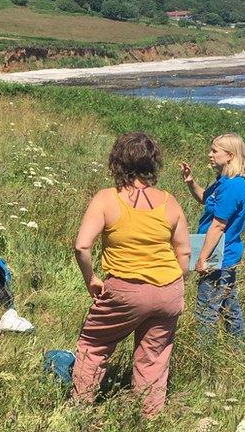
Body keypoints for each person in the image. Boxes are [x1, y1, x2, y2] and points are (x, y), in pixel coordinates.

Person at [71, 132, 190, 417]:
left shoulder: (107, 199)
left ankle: (80, 410)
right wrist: (173, 282)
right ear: (153, 164)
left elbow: (82, 246)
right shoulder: (170, 202)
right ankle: (148, 418)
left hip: (125, 288)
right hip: (169, 289)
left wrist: (91, 278)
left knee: (94, 345)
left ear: (117, 163)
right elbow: (184, 251)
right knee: (154, 358)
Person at [180, 133, 245, 344]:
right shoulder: (223, 181)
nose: (210, 154)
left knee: (206, 311)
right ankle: (237, 347)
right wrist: (190, 181)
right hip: (221, 255)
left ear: (229, 156)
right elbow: (205, 199)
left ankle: (205, 356)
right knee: (229, 306)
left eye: (215, 151)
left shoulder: (233, 186)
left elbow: (218, 225)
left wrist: (202, 258)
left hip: (219, 256)